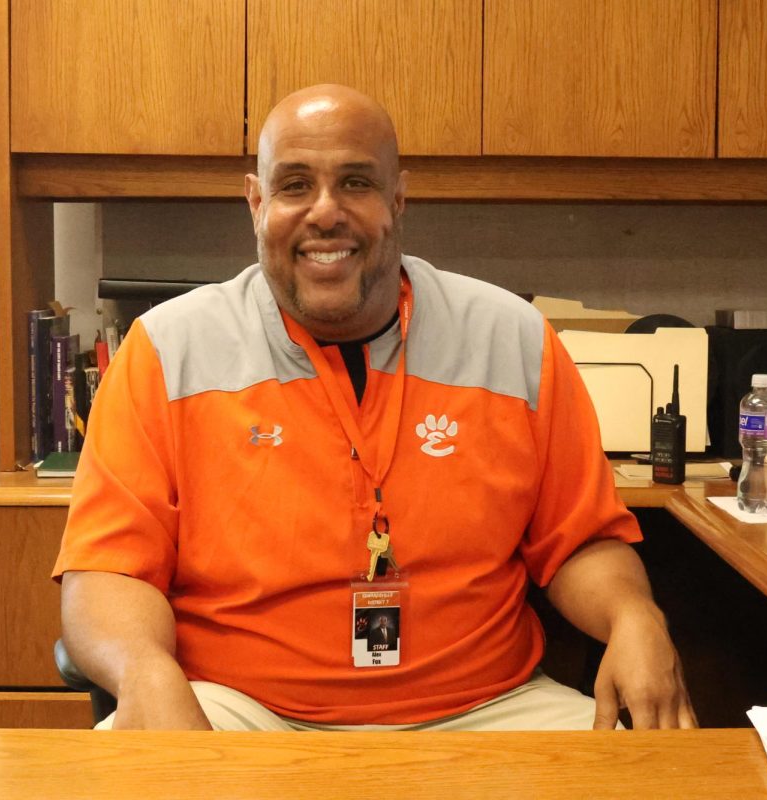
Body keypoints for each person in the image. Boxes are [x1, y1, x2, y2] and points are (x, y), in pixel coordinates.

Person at [54, 84, 696, 732]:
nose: (325, 213)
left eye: (355, 183)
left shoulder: (514, 340)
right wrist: (144, 673)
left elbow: (580, 542)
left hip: (489, 708)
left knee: (645, 779)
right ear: (256, 202)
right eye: (295, 185)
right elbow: (105, 573)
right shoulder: (166, 350)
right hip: (234, 707)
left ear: (397, 199)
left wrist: (634, 616)